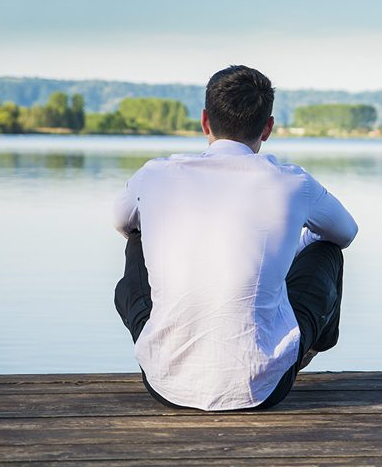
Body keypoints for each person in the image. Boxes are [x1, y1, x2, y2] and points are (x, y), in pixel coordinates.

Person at [112, 65, 358, 411]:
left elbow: (121, 223)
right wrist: (287, 246)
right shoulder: (292, 182)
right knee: (327, 250)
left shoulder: (154, 175)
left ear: (204, 122)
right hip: (263, 388)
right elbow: (345, 233)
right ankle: (307, 347)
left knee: (137, 238)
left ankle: (166, 344)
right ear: (268, 127)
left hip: (164, 384)